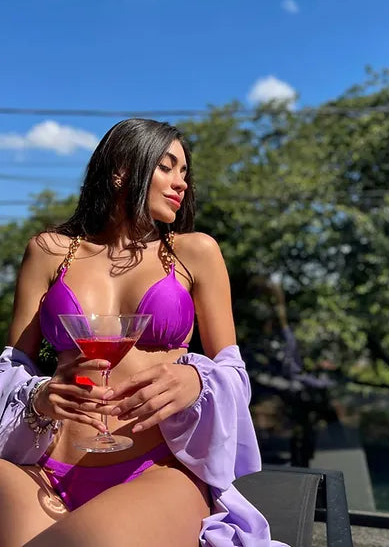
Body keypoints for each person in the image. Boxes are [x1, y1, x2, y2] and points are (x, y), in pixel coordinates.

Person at [0, 118, 287, 546]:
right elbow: (12, 367)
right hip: (44, 469)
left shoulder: (195, 252)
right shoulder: (49, 251)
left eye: (185, 172)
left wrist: (195, 380)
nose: (181, 182)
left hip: (155, 469)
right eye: (167, 167)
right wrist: (40, 396)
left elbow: (233, 371)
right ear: (121, 171)